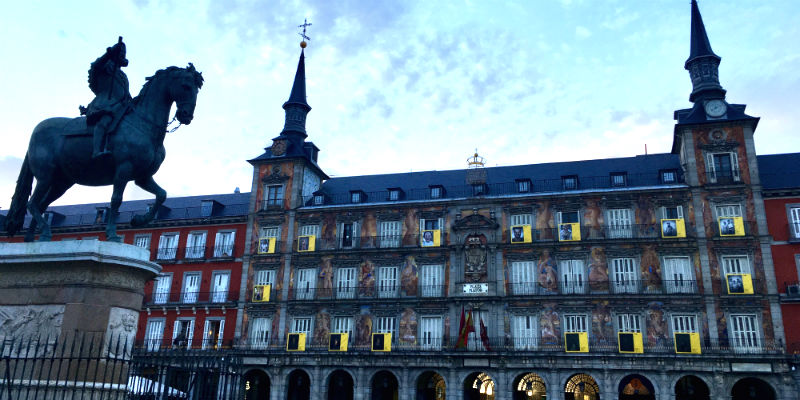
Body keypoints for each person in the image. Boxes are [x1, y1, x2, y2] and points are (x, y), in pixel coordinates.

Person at [81, 37, 132, 159]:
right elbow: (95, 67)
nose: (122, 55)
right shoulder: (106, 66)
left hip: (121, 107)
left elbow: (126, 94)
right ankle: (96, 151)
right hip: (105, 105)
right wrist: (109, 54)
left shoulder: (123, 76)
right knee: (105, 121)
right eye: (119, 52)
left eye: (123, 53)